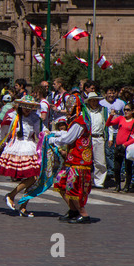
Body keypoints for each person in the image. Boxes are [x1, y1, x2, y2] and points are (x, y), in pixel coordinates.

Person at [0, 95, 42, 217]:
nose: (27, 109)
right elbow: (3, 131)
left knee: (34, 178)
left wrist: (48, 135)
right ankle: (14, 197)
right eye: (25, 106)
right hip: (18, 147)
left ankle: (21, 203)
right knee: (32, 178)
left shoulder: (34, 118)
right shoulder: (13, 116)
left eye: (30, 107)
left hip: (29, 148)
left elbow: (40, 131)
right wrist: (0, 143)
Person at [48, 93, 93, 223]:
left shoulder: (80, 121)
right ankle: (73, 210)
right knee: (60, 182)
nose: (68, 109)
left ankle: (83, 214)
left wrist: (54, 140)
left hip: (79, 160)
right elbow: (68, 134)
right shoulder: (76, 120)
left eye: (71, 106)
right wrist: (55, 133)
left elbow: (69, 138)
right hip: (72, 159)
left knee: (73, 186)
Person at [106, 102, 134, 192]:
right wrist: (111, 115)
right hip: (118, 146)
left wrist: (125, 144)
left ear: (132, 111)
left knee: (127, 167)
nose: (126, 112)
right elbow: (108, 124)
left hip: (127, 146)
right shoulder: (121, 118)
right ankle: (117, 185)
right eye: (124, 110)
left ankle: (127, 186)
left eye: (128, 110)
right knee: (117, 167)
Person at [100, 86, 125, 184]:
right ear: (105, 94)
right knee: (109, 152)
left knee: (120, 152)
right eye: (109, 93)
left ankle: (121, 172)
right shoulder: (101, 103)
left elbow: (125, 115)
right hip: (107, 131)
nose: (111, 95)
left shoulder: (121, 103)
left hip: (119, 132)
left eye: (113, 93)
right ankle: (111, 172)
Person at [85, 92, 110, 189]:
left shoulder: (103, 110)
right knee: (86, 160)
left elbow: (108, 124)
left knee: (100, 161)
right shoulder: (86, 111)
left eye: (96, 100)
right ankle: (87, 180)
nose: (94, 102)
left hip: (99, 137)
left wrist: (110, 138)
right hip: (88, 138)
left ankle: (99, 182)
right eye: (92, 100)